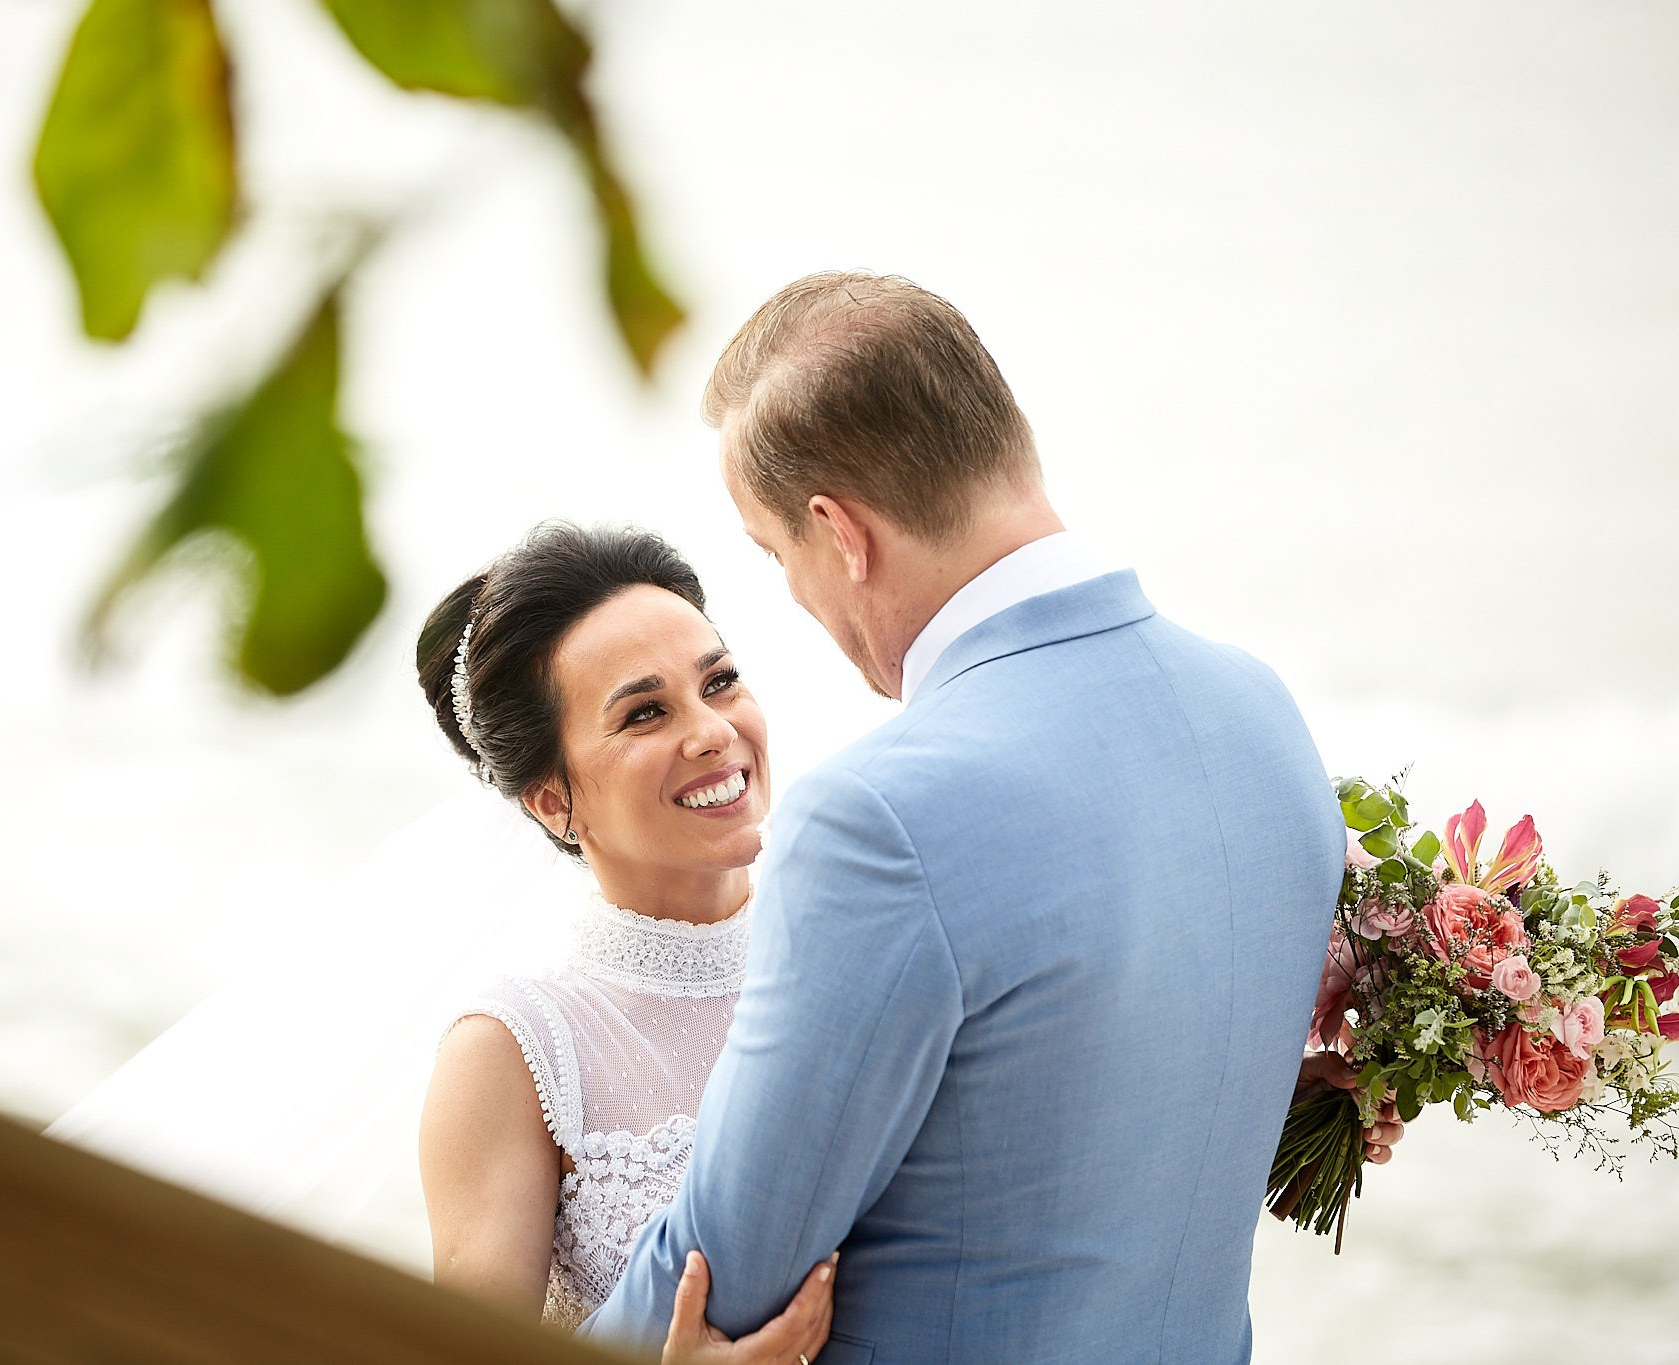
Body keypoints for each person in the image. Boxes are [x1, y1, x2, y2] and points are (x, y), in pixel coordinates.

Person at [574, 272, 1358, 1363]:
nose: (794, 593)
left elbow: (731, 1265)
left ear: (838, 533)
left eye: (775, 555)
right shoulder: (1260, 713)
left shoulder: (880, 818)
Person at [414, 522, 834, 1363]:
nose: (711, 730)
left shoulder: (854, 939)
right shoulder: (516, 1050)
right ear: (551, 800)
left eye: (720, 681)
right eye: (645, 712)